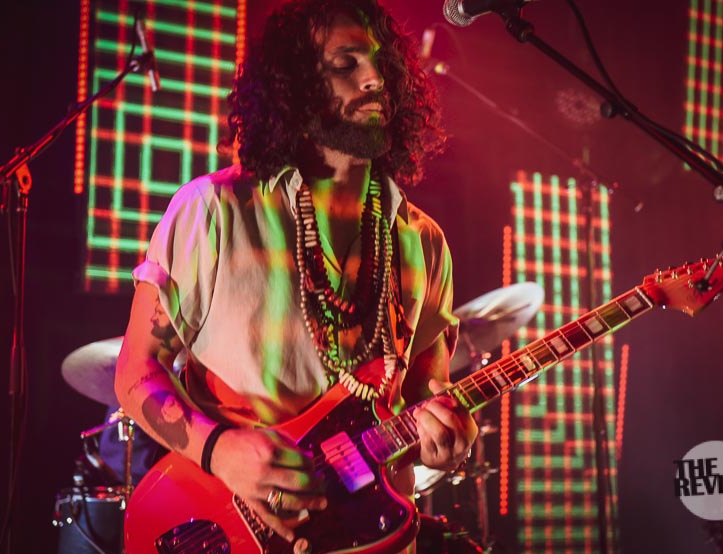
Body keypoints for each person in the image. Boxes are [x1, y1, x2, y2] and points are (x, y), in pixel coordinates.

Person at [114, 0, 478, 551]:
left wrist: (449, 431)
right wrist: (220, 452)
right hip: (229, 528)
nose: (375, 79)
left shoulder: (423, 241)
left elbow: (430, 393)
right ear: (297, 89)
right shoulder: (215, 211)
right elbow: (135, 372)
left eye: (380, 63)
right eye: (345, 64)